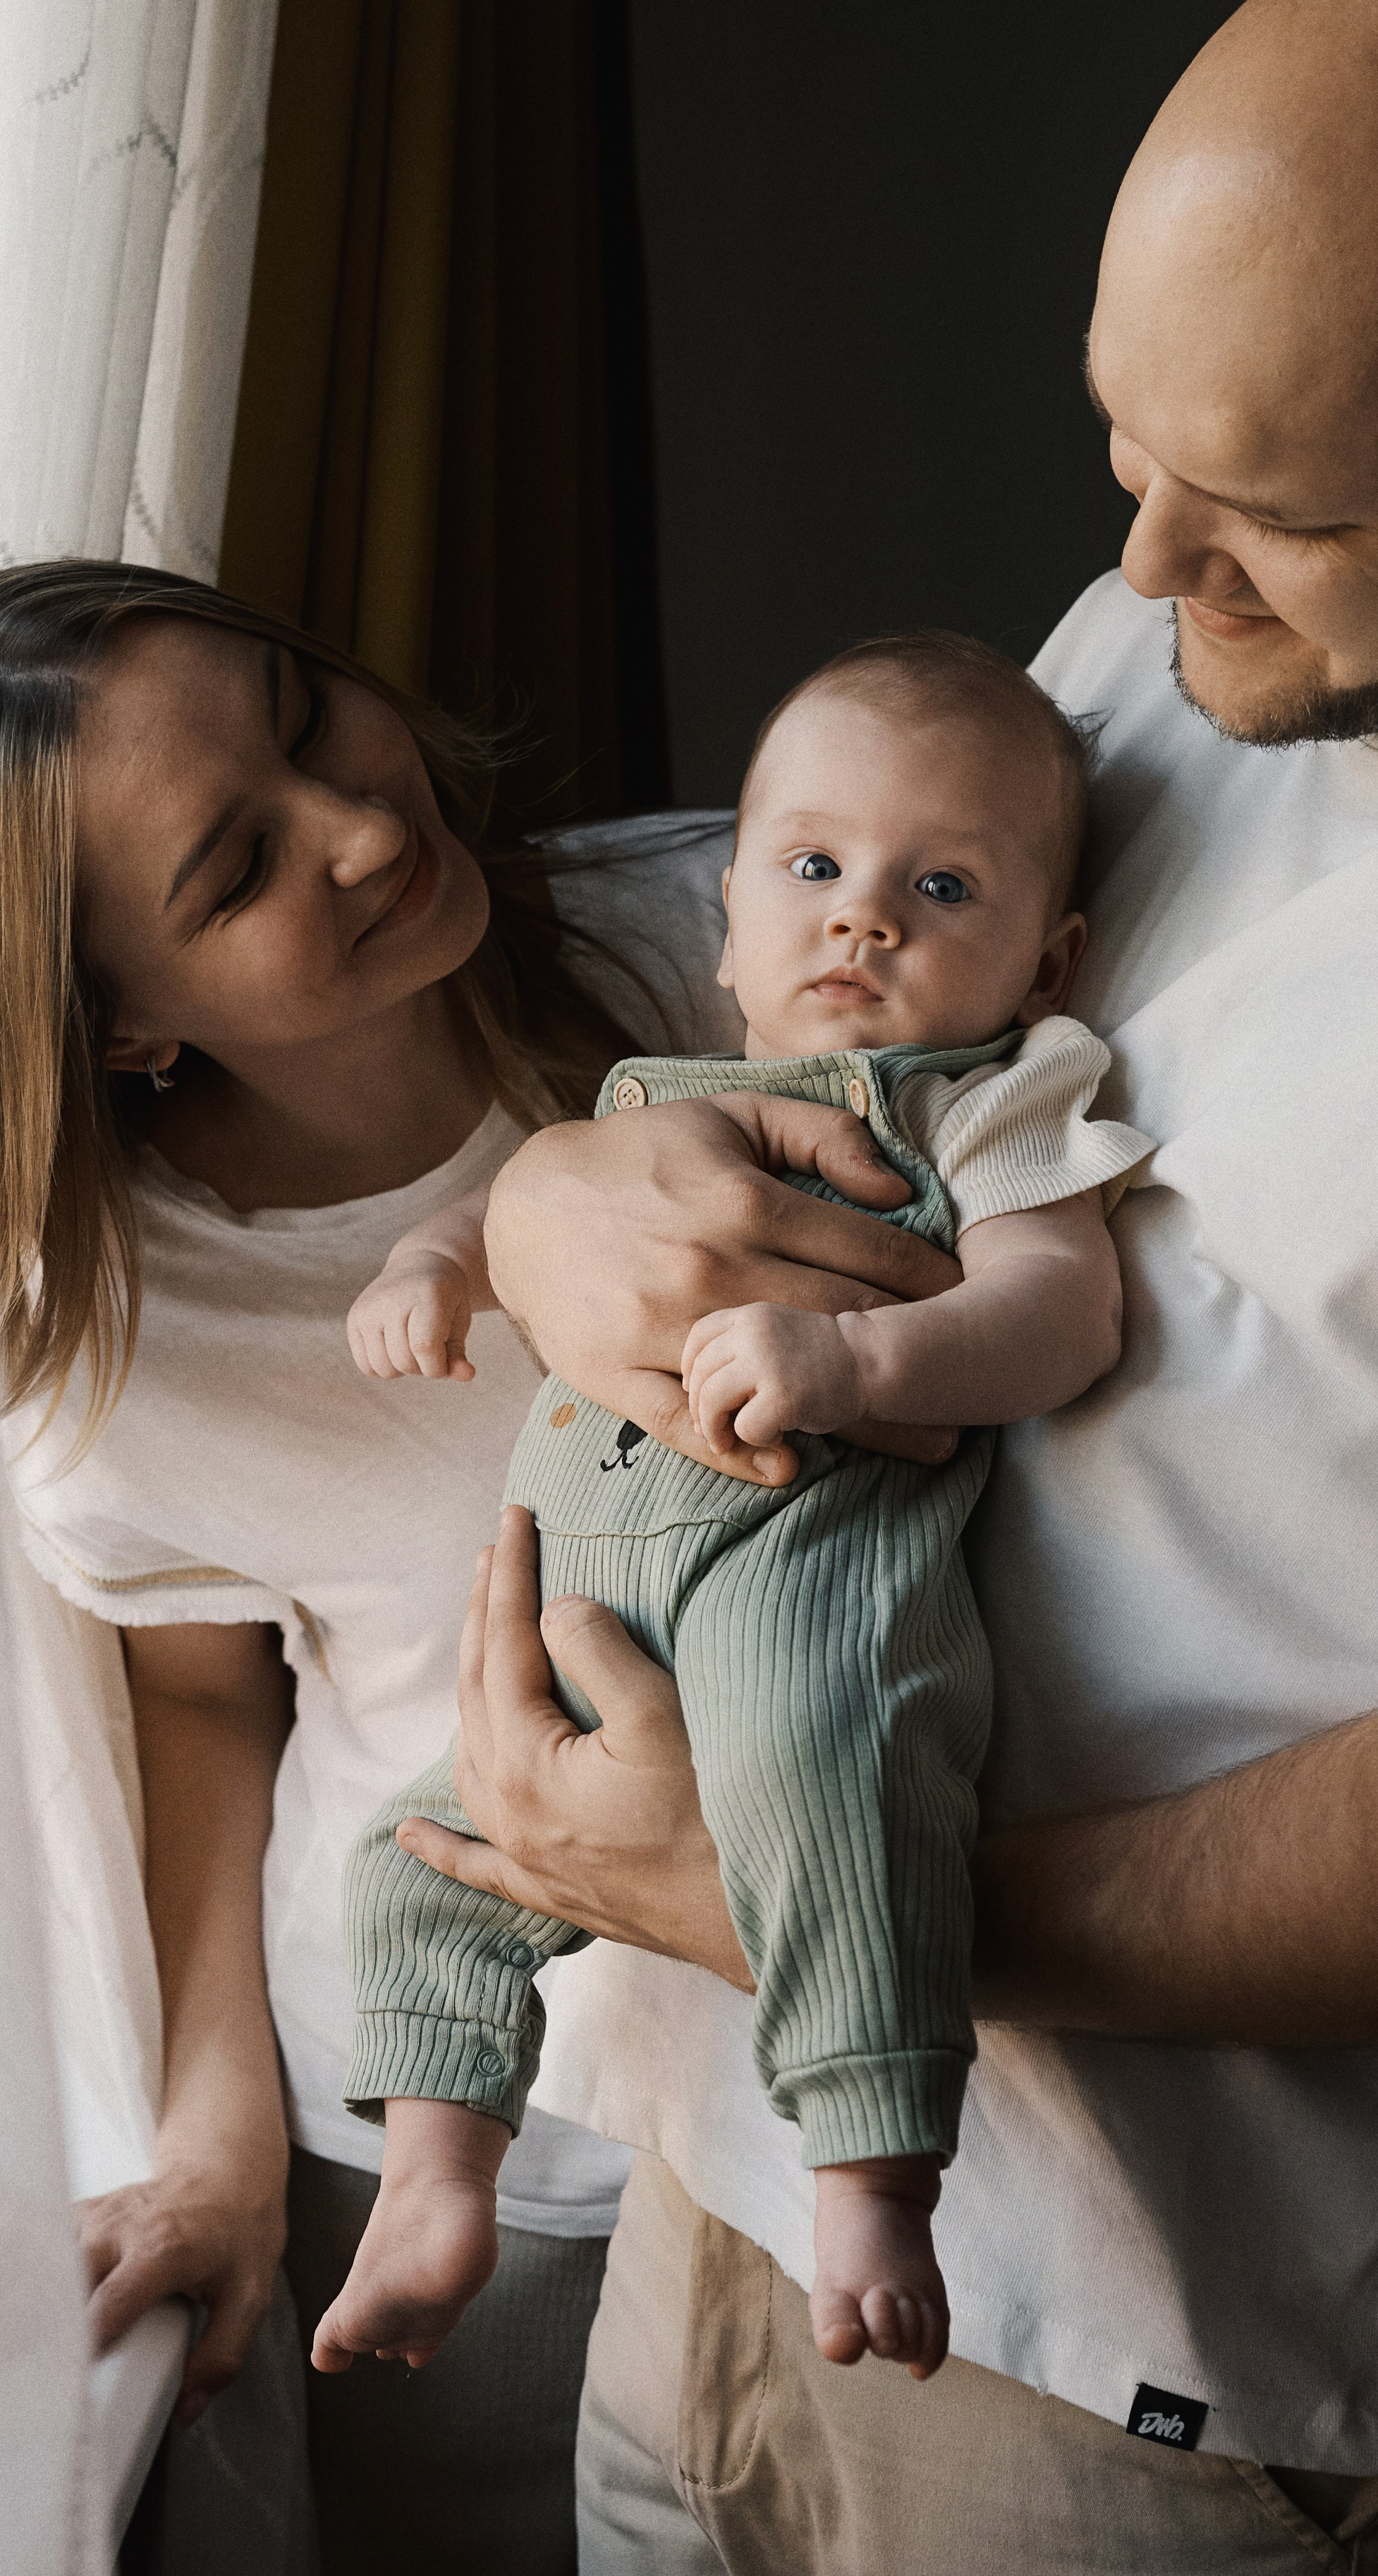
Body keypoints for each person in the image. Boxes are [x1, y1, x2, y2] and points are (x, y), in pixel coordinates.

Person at [385, 1, 1378, 2576]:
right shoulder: (1176, 616)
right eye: (1131, 454)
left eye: (1263, 514)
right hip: (722, 2194)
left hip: (1168, 2399)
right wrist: (545, 1203)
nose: (1142, 560)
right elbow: (818, 1023)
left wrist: (817, 1895)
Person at [0, 561, 637, 2576]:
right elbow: (206, 1728)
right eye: (236, 863)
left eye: (304, 714)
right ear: (123, 1018)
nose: (364, 821)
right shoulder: (121, 1355)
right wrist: (223, 2153)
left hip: (890, 2052)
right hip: (467, 2127)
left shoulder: (725, 939)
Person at [310, 634, 1147, 2388]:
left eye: (942, 885)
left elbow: (1060, 1310)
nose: (863, 922)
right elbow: (492, 1220)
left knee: (830, 1808)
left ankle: (870, 2178)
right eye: (815, 869)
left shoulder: (984, 1101)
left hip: (804, 1570)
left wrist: (858, 1369)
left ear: (1048, 956)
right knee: (412, 1858)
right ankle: (434, 2174)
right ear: (726, 919)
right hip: (569, 1595)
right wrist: (422, 1264)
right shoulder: (642, 1100)